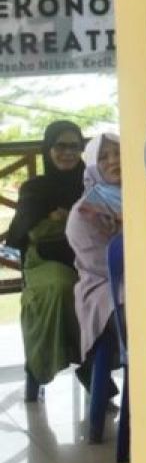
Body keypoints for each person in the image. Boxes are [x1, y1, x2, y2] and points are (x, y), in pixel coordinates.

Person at [4, 121, 84, 398]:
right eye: (60, 146)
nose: (67, 152)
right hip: (42, 262)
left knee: (103, 291)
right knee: (63, 286)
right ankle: (43, 367)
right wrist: (78, 218)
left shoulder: (91, 181)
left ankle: (94, 364)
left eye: (74, 146)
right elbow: (32, 231)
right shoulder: (34, 188)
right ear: (47, 149)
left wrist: (64, 217)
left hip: (88, 258)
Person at [66, 132, 122, 397]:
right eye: (103, 157)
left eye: (119, 152)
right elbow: (105, 267)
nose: (113, 161)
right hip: (104, 291)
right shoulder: (83, 213)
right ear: (91, 166)